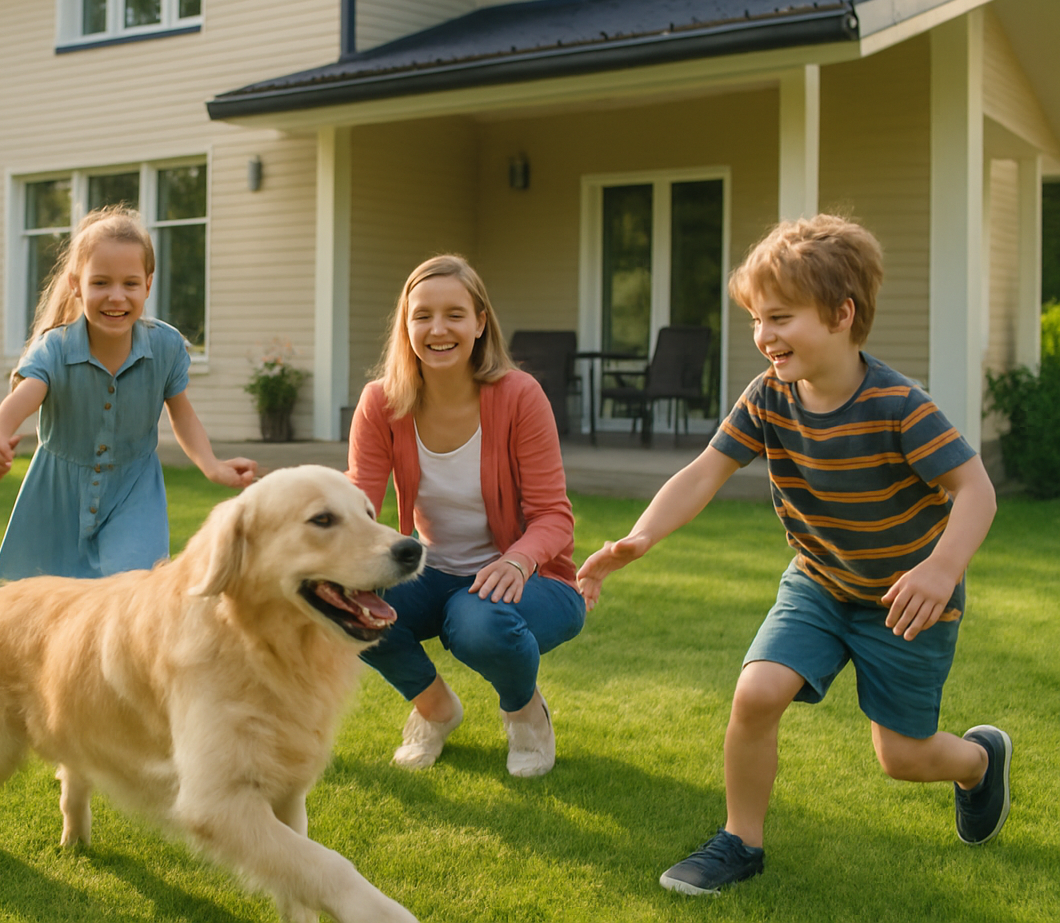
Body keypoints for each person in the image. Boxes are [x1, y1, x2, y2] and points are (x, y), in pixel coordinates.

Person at [576, 214, 1009, 895]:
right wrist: (641, 537)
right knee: (756, 693)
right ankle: (739, 842)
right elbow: (703, 472)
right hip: (818, 582)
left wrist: (942, 568)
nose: (763, 336)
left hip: (906, 599)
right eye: (756, 319)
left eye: (779, 317)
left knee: (901, 757)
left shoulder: (899, 405)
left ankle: (979, 761)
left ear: (842, 314)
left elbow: (974, 488)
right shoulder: (769, 398)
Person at [347, 254, 584, 778]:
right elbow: (357, 505)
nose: (438, 329)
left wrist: (518, 561)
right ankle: (435, 709)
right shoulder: (381, 403)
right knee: (347, 608)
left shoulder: (520, 396)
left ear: (480, 323)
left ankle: (525, 713)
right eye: (422, 315)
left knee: (474, 620)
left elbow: (554, 517)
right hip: (434, 571)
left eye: (455, 314)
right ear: (406, 326)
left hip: (535, 580)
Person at [0, 206, 255, 583]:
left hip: (134, 494)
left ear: (148, 284)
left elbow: (182, 413)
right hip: (56, 498)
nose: (116, 297)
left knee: (131, 597)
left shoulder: (166, 346)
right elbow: (24, 396)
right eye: (101, 283)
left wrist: (211, 464)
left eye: (129, 283)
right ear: (76, 284)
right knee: (42, 610)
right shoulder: (55, 349)